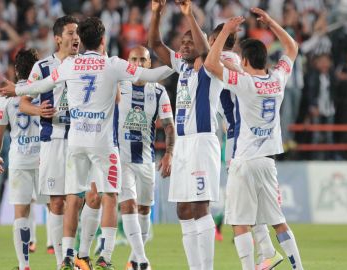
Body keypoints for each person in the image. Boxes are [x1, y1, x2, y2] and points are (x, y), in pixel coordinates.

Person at [0, 16, 174, 270]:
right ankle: (105, 257)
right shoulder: (113, 64)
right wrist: (180, 63)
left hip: (75, 141)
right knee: (110, 195)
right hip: (102, 143)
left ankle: (68, 256)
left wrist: (18, 90)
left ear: (83, 39)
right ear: (103, 40)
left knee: (72, 197)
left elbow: (42, 85)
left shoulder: (70, 65)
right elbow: (153, 73)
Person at [203, 9, 304, 270]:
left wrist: (224, 32)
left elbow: (211, 66)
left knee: (239, 221)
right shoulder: (278, 79)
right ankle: (298, 267)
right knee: (278, 221)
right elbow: (292, 47)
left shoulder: (244, 82)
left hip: (244, 159)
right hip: (268, 161)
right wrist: (271, 22)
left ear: (245, 60)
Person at [149, 1, 220, 268]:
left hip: (202, 143)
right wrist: (156, 14)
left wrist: (189, 15)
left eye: (190, 41)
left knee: (201, 207)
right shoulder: (184, 67)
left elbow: (204, 49)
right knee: (183, 210)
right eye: (182, 41)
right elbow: (155, 45)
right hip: (184, 146)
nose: (184, 45)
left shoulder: (210, 67)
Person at [17, 15, 80, 269]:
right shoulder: (42, 68)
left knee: (78, 201)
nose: (75, 37)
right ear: (57, 39)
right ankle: (61, 262)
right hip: (52, 140)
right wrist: (38, 111)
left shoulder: (85, 64)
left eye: (77, 33)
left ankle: (76, 254)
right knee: (56, 202)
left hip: (80, 140)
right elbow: (23, 102)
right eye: (70, 33)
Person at [117, 45, 175, 270]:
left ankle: (134, 258)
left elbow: (169, 127)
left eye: (143, 60)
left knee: (144, 209)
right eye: (134, 59)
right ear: (127, 62)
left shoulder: (159, 92)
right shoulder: (118, 87)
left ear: (150, 64)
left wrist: (169, 154)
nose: (139, 64)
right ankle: (143, 261)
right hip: (122, 158)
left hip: (146, 158)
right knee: (128, 205)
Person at [0, 48, 41, 270]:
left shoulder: (5, 98)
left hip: (20, 158)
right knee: (58, 206)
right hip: (45, 158)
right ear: (37, 68)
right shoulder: (46, 89)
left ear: (16, 69)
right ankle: (64, 260)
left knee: (21, 212)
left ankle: (23, 265)